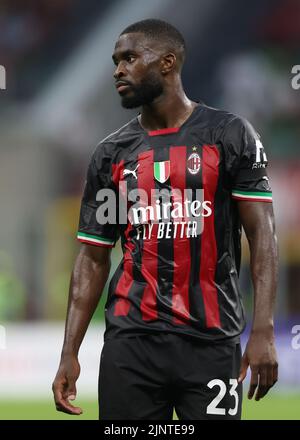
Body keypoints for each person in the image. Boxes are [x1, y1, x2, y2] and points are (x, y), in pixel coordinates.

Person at [52, 18, 278, 420]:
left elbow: (262, 234)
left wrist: (262, 330)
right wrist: (69, 352)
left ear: (168, 62)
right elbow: (93, 256)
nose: (118, 70)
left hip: (212, 340)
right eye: (115, 61)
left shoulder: (230, 135)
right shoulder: (110, 155)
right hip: (131, 344)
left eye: (130, 58)